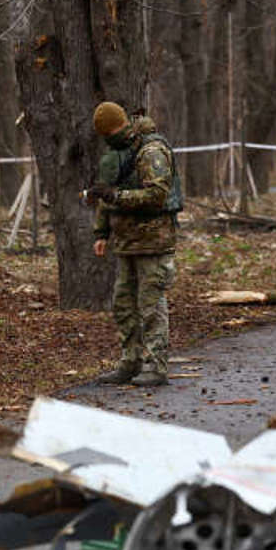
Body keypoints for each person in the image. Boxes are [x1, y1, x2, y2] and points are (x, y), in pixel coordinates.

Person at [88, 101, 180, 388]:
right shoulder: (119, 153)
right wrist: (101, 232)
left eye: (111, 131)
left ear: (122, 125)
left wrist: (118, 196)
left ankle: (156, 366)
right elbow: (106, 193)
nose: (109, 138)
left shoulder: (151, 151)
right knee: (124, 305)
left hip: (154, 241)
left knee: (150, 306)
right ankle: (131, 362)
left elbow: (157, 195)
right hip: (126, 242)